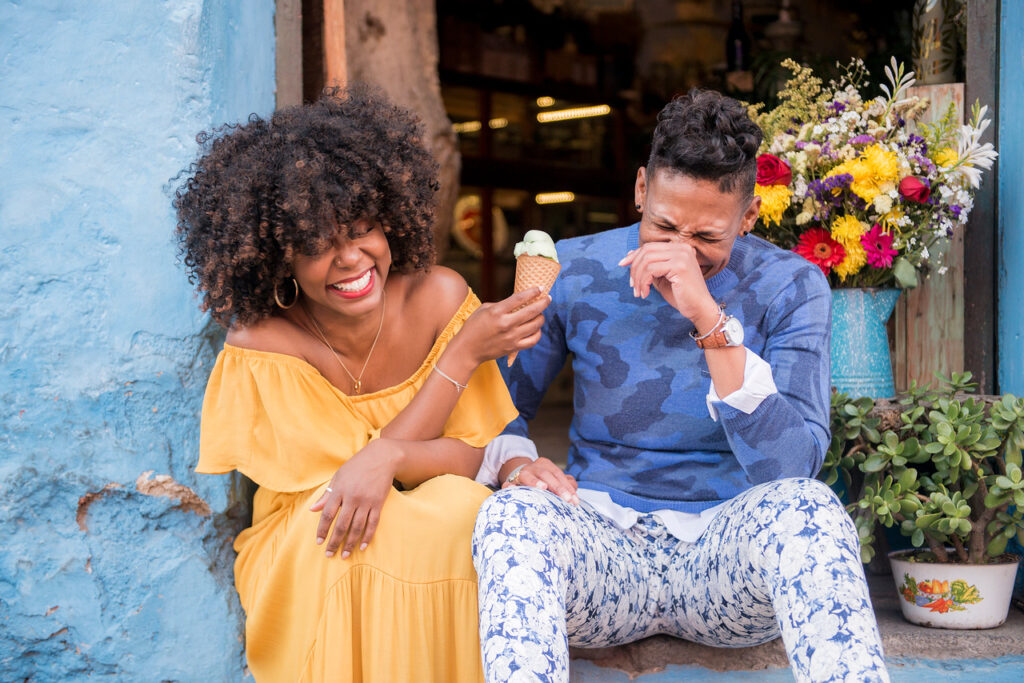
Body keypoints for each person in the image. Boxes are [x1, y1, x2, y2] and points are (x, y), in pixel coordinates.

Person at [472, 89, 890, 682]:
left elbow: (792, 470)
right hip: (602, 552)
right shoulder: (574, 267)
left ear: (747, 218)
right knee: (511, 516)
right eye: (663, 225)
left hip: (727, 565)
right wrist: (517, 465)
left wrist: (709, 319)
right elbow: (497, 409)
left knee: (813, 511)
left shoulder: (793, 285)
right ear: (641, 189)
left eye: (707, 238)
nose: (678, 253)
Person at [174, 86, 571, 682]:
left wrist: (388, 454)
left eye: (361, 229)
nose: (351, 259)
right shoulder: (262, 345)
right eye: (315, 245)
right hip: (317, 534)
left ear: (389, 220)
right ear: (279, 257)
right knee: (378, 532)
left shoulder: (439, 296)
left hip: (420, 508)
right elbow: (348, 492)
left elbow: (467, 457)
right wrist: (456, 363)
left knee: (463, 512)